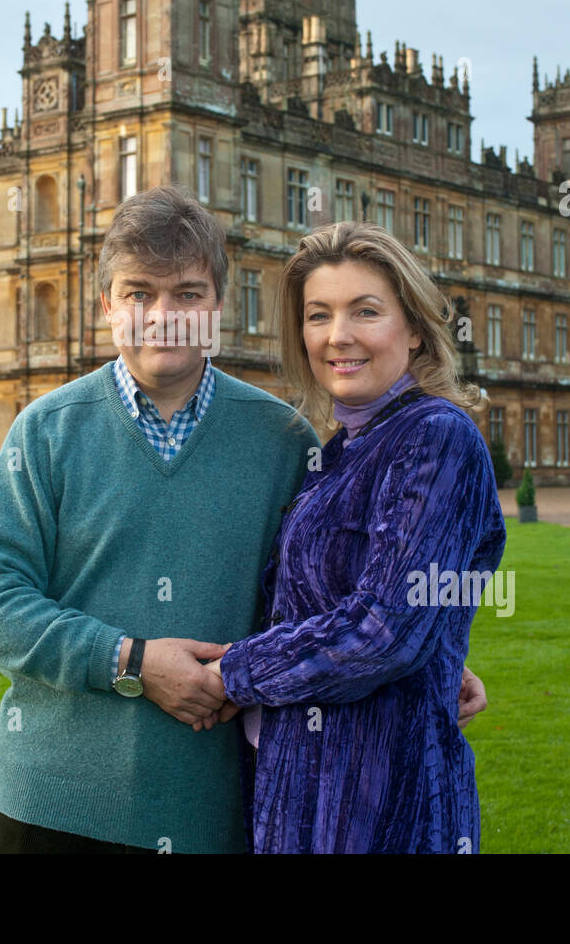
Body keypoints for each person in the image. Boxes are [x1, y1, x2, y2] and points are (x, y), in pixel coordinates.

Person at [0, 187, 487, 854]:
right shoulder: (48, 429)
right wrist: (132, 661)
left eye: (187, 294)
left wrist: (431, 660)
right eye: (138, 293)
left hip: (214, 812)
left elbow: (340, 592)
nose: (163, 316)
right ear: (106, 306)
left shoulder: (286, 439)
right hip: (53, 806)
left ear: (218, 309)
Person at [203, 220, 506, 853]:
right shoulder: (341, 448)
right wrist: (441, 658)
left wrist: (232, 672)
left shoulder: (435, 436)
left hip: (381, 804)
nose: (337, 336)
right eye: (319, 316)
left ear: (416, 328)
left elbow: (385, 631)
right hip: (301, 793)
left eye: (365, 311)